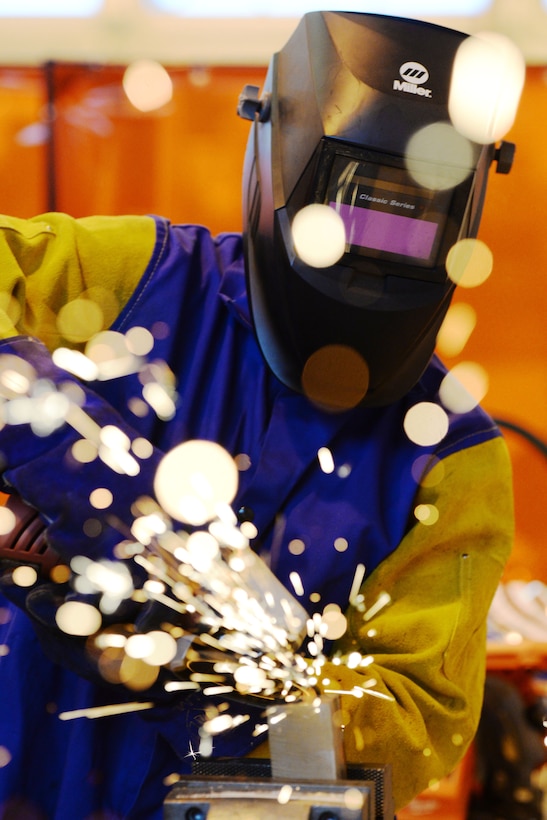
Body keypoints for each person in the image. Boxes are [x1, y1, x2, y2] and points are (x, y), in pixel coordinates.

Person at [0, 10, 520, 819]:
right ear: (279, 156)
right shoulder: (138, 280)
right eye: (346, 205)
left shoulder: (449, 461)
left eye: (408, 218)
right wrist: (64, 454)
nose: (364, 249)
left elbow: (408, 729)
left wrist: (196, 661)